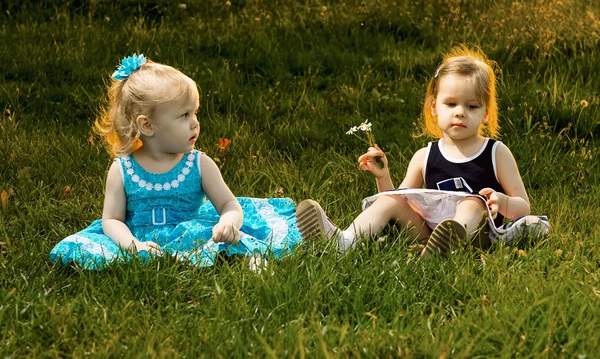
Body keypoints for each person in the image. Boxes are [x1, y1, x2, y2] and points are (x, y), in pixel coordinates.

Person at [50, 54, 301, 270]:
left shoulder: (199, 164)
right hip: (139, 237)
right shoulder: (122, 170)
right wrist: (133, 245)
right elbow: (112, 220)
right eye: (184, 115)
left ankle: (252, 262)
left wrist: (227, 223)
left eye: (195, 112)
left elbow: (229, 204)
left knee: (233, 240)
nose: (195, 122)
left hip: (193, 230)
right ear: (147, 125)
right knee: (82, 248)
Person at [297, 46, 546, 258]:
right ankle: (343, 242)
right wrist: (382, 177)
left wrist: (501, 202)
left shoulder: (495, 152)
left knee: (471, 203)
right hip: (428, 235)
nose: (460, 112)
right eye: (451, 104)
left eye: (471, 106)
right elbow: (402, 201)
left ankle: (449, 247)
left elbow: (523, 206)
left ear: (486, 113)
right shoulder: (424, 156)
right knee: (391, 199)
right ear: (434, 107)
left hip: (479, 235)